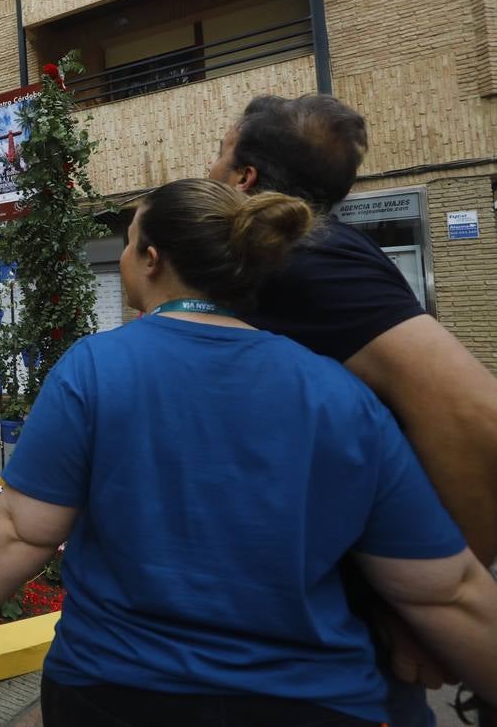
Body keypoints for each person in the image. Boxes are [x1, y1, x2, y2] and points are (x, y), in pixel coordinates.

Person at [0, 178, 497, 726]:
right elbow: (446, 590)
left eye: (129, 243)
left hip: (112, 689)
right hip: (310, 702)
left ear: (152, 259)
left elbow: (23, 528)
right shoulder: (335, 391)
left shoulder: (93, 369)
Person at [208, 94, 497, 726]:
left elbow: (479, 418)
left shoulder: (312, 257)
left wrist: (433, 603)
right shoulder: (289, 256)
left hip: (349, 647)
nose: (209, 167)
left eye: (219, 153)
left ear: (245, 177)